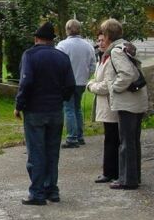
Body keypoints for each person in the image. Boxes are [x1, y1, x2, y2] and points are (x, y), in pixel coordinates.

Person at [14, 22, 76, 205]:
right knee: (52, 151)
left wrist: (19, 105)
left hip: (35, 110)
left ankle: (37, 192)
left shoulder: (30, 55)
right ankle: (52, 190)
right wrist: (60, 98)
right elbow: (70, 85)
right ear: (52, 40)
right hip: (56, 110)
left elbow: (26, 82)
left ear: (36, 38)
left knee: (36, 152)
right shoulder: (62, 57)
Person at [98, 18, 148, 190]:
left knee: (126, 141)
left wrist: (114, 88)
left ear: (107, 35)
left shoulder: (116, 52)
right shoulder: (128, 47)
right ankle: (134, 176)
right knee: (133, 141)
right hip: (137, 99)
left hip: (127, 102)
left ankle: (126, 179)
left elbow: (126, 74)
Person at [56, 19, 96, 148]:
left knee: (68, 109)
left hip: (66, 82)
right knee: (77, 108)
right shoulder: (88, 45)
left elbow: (58, 64)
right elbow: (92, 65)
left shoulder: (62, 45)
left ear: (67, 30)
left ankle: (72, 137)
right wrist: (86, 76)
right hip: (81, 81)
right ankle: (79, 136)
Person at [86, 32, 119, 183]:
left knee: (112, 139)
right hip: (105, 105)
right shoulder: (103, 58)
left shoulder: (111, 58)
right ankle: (110, 171)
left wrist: (92, 86)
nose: (100, 43)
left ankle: (111, 172)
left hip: (110, 105)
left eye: (102, 40)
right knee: (110, 138)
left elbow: (106, 85)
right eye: (98, 40)